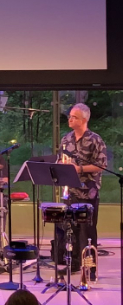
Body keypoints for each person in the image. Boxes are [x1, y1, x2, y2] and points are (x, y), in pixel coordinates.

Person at [58, 103, 106, 276]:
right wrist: (60, 165)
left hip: (88, 193)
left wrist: (80, 169)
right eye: (70, 116)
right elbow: (60, 159)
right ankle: (74, 264)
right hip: (70, 191)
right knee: (71, 230)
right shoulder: (66, 139)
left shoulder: (95, 140)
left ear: (84, 120)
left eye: (74, 117)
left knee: (87, 232)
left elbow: (101, 165)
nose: (70, 119)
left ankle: (90, 268)